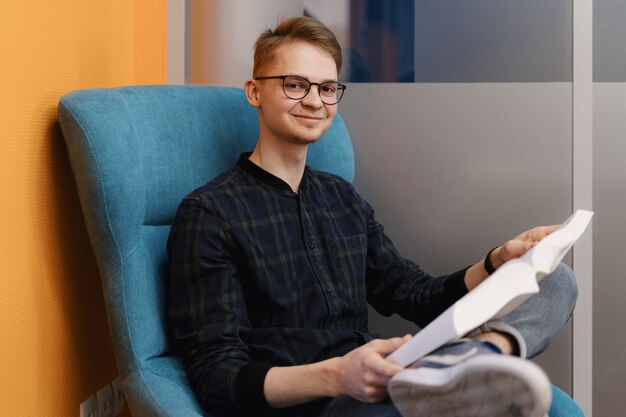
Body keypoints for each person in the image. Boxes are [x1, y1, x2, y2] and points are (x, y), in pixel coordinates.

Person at [167, 16, 578, 417]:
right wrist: (337, 376)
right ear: (255, 92)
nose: (314, 101)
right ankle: (455, 379)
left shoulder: (341, 197)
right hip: (320, 400)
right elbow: (217, 377)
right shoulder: (210, 214)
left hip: (386, 377)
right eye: (295, 85)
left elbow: (412, 293)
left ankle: (479, 355)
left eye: (327, 88)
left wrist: (497, 263)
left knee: (556, 280)